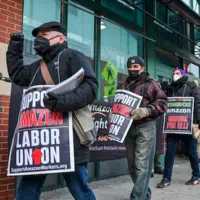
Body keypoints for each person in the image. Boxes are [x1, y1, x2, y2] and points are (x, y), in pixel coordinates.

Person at [7, 21, 98, 200]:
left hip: (70, 139)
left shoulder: (73, 56)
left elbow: (90, 87)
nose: (39, 40)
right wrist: (15, 48)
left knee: (79, 188)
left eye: (45, 36)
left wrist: (61, 101)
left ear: (61, 38)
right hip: (40, 142)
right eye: (38, 37)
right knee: (27, 188)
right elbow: (18, 75)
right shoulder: (36, 67)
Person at [122, 56, 168, 200]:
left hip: (146, 126)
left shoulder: (151, 83)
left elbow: (163, 102)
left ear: (142, 68)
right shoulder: (124, 85)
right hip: (128, 127)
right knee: (132, 165)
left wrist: (147, 110)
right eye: (130, 67)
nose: (132, 69)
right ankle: (145, 194)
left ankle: (137, 197)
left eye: (136, 67)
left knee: (141, 165)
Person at [157, 68, 200, 188]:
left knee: (191, 152)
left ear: (183, 75)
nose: (175, 75)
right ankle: (166, 178)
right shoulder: (170, 88)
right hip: (172, 126)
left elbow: (197, 104)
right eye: (173, 73)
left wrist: (198, 121)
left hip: (187, 125)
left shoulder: (191, 86)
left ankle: (196, 176)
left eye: (177, 73)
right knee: (169, 152)